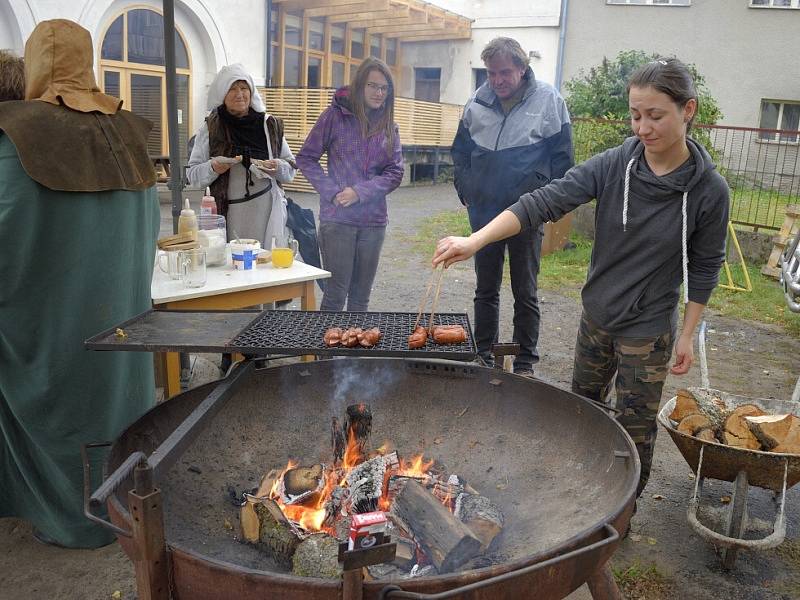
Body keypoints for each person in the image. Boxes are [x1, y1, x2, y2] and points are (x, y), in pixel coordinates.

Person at [434, 58, 729, 497]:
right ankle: (580, 498)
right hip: (596, 318)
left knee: (634, 432)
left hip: (647, 333)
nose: (642, 128)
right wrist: (476, 241)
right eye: (635, 115)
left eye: (655, 116)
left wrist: (686, 335)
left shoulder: (709, 192)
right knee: (584, 414)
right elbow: (543, 202)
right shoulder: (614, 166)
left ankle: (622, 512)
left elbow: (706, 265)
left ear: (688, 110)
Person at [0, 20, 159, 547]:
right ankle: (123, 498)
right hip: (122, 325)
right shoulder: (131, 134)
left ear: (36, 67)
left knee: (59, 409)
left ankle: (67, 516)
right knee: (119, 410)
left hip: (52, 330)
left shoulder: (13, 139)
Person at [451, 38, 574, 378]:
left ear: (522, 69)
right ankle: (484, 353)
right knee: (485, 289)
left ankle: (525, 362)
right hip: (485, 214)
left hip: (527, 214)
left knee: (526, 291)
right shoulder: (476, 103)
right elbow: (459, 153)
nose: (498, 80)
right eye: (491, 73)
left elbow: (563, 161)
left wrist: (548, 204)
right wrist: (466, 189)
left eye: (505, 72)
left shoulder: (549, 101)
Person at [296, 57, 404, 312]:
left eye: (384, 88)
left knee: (360, 298)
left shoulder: (389, 126)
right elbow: (306, 158)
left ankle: (354, 352)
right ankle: (328, 353)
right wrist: (332, 192)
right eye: (373, 86)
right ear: (359, 86)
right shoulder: (334, 116)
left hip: (373, 222)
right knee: (335, 294)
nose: (379, 93)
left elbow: (395, 171)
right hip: (337, 220)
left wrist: (360, 192)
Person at [187, 64, 296, 247]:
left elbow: (291, 169)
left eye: (244, 88)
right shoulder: (211, 128)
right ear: (222, 93)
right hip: (229, 216)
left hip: (267, 214)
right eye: (233, 88)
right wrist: (212, 168)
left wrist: (277, 166)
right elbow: (193, 175)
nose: (240, 94)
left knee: (266, 266)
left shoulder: (269, 125)